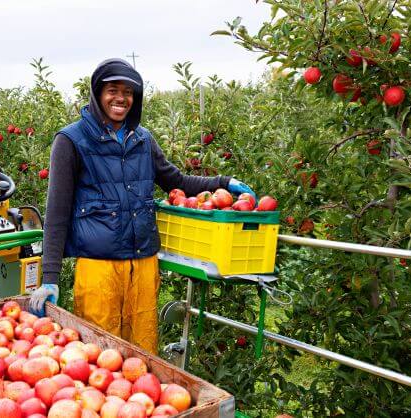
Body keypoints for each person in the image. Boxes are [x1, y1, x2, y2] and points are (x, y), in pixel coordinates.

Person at [29, 58, 255, 353]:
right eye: (112, 90)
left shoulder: (143, 139)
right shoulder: (72, 140)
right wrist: (50, 278)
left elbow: (177, 180)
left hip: (144, 264)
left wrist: (224, 183)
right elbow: (57, 210)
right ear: (97, 93)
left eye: (128, 92)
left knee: (143, 350)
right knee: (99, 351)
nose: (121, 98)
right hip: (99, 266)